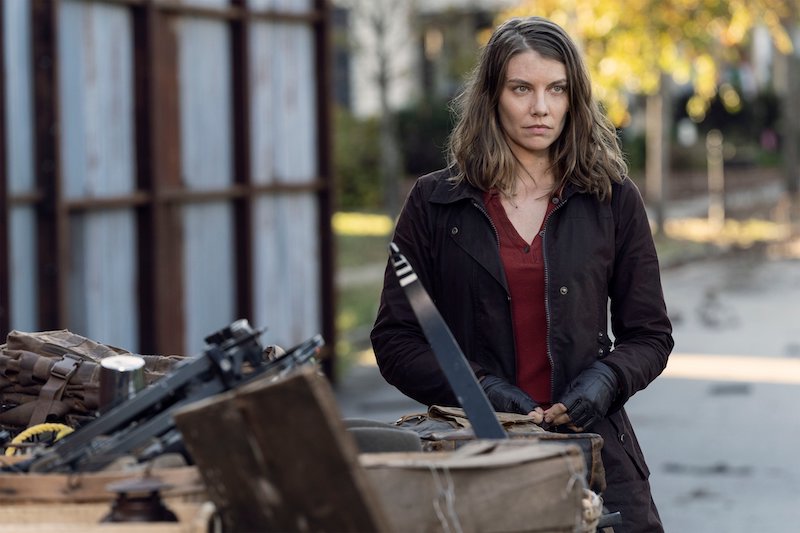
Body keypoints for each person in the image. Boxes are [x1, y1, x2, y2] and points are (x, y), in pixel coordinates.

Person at [370, 16, 673, 533]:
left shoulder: (612, 198)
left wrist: (605, 380)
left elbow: (650, 335)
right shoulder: (435, 202)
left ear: (574, 99)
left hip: (595, 455)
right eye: (521, 89)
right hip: (476, 457)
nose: (541, 107)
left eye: (557, 89)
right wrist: (481, 391)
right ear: (492, 96)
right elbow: (396, 341)